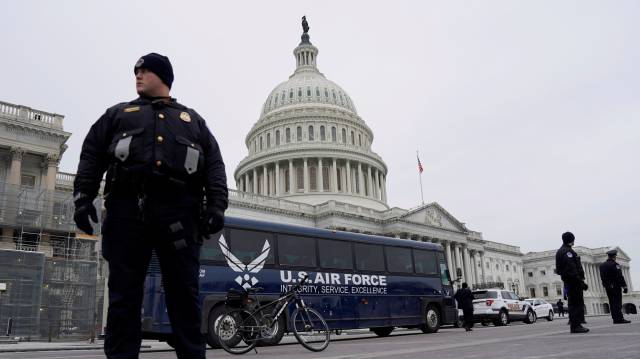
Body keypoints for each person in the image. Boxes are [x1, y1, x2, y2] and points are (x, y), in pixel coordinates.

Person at [73, 53, 228, 359]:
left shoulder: (192, 121)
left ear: (163, 77)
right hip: (127, 210)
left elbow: (215, 166)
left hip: (179, 213)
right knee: (123, 297)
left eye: (144, 71)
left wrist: (217, 206)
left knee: (184, 295)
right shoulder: (119, 114)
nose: (138, 75)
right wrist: (82, 198)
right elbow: (91, 154)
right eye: (136, 71)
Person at [555, 231, 589, 333]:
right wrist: (580, 282)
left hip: (569, 280)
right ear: (571, 240)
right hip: (573, 281)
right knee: (576, 303)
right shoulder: (567, 252)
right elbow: (571, 269)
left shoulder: (561, 251)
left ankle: (575, 324)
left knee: (573, 303)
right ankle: (576, 326)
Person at [600, 249, 630, 324]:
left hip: (608, 287)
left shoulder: (602, 265)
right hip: (615, 286)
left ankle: (615, 318)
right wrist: (624, 286)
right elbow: (619, 276)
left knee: (612, 303)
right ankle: (619, 318)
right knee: (617, 303)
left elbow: (602, 277)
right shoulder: (615, 265)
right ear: (614, 256)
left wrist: (606, 285)